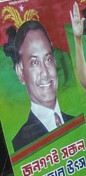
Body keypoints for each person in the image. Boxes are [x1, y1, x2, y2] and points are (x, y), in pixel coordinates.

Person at [4, 19, 72, 151]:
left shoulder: (77, 122)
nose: (45, 73)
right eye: (34, 63)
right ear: (20, 72)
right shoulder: (20, 144)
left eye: (48, 59)